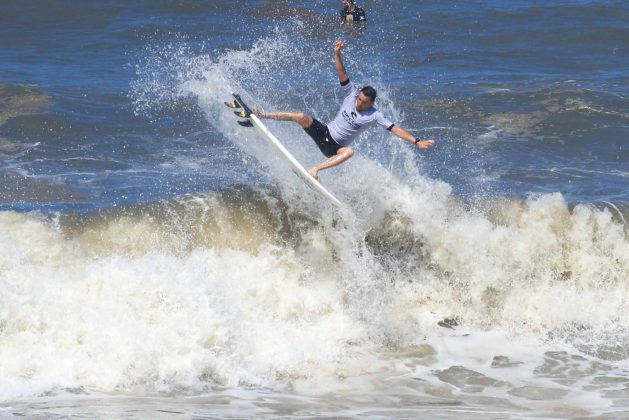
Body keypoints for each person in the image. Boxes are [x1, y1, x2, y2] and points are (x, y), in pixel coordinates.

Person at [254, 40, 435, 181]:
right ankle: (262, 114)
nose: (358, 103)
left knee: (349, 152)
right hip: (323, 132)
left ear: (371, 102)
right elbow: (342, 73)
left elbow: (395, 128)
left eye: (363, 102)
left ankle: (315, 170)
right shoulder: (351, 94)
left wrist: (416, 141)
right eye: (359, 98)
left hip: (334, 148)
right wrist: (337, 53)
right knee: (301, 116)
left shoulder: (375, 115)